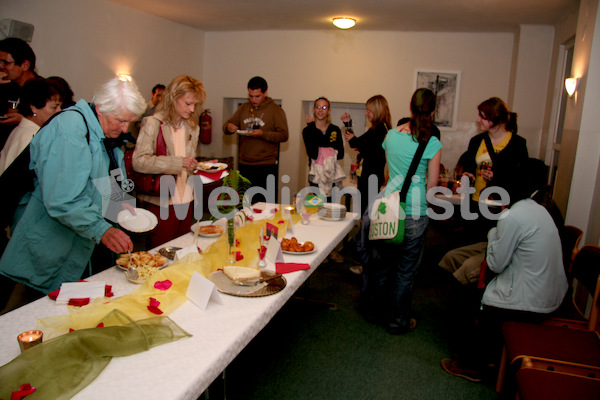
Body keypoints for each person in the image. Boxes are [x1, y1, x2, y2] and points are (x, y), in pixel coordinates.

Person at [0, 76, 146, 313]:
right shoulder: (69, 129)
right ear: (100, 108)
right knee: (29, 317)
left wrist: (121, 206)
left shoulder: (106, 133)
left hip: (81, 244)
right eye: (121, 120)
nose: (125, 129)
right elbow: (63, 199)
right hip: (50, 248)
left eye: (130, 122)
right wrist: (103, 230)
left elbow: (108, 178)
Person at [441, 158, 568, 383]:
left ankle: (474, 364)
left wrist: (493, 233)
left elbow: (495, 264)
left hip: (531, 301)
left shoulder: (513, 216)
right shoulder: (537, 209)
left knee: (464, 299)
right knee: (470, 293)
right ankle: (487, 355)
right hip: (552, 293)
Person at [362, 88, 442, 334]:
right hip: (415, 212)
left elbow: (387, 173)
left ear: (410, 107)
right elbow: (433, 184)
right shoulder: (432, 141)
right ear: (433, 110)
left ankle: (375, 311)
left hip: (390, 206)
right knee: (406, 270)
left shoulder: (392, 136)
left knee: (383, 265)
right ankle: (397, 321)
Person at [133, 75, 206, 248]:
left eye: (195, 104)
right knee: (161, 253)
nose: (192, 108)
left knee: (184, 251)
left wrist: (202, 167)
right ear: (173, 98)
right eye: (188, 103)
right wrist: (178, 163)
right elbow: (139, 161)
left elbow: (188, 163)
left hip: (187, 198)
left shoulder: (192, 127)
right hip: (161, 200)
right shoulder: (152, 123)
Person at [461, 97, 528, 242]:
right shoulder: (476, 141)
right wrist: (468, 173)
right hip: (475, 202)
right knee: (470, 243)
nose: (479, 120)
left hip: (501, 206)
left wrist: (496, 177)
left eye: (483, 117)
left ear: (496, 119)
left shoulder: (517, 144)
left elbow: (522, 179)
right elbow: (469, 164)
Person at [223, 76, 288, 203]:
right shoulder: (243, 108)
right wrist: (228, 127)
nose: (253, 99)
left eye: (257, 96)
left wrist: (263, 134)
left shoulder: (276, 110)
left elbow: (284, 135)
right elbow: (227, 125)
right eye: (251, 96)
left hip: (266, 165)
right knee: (245, 203)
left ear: (265, 92)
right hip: (245, 164)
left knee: (264, 204)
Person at [0, 78, 62, 175]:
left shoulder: (25, 131)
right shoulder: (29, 137)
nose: (59, 111)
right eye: (54, 107)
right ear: (34, 107)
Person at [341, 95, 391, 216]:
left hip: (372, 177)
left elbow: (365, 146)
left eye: (369, 110)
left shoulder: (380, 129)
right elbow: (356, 143)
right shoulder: (376, 128)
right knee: (365, 211)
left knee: (368, 213)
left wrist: (355, 140)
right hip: (368, 176)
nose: (366, 113)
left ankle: (365, 234)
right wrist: (348, 125)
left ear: (377, 110)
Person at [0, 38, 39, 148]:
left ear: (25, 65)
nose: (1, 67)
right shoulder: (4, 86)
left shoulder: (43, 90)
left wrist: (24, 122)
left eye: (6, 63)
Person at [302, 97, 345, 196]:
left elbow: (340, 154)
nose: (321, 110)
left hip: (333, 175)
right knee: (319, 207)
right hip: (316, 175)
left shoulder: (335, 129)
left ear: (329, 111)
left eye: (324, 107)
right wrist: (312, 128)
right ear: (313, 109)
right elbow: (313, 153)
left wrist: (321, 145)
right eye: (318, 107)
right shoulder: (308, 130)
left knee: (332, 207)